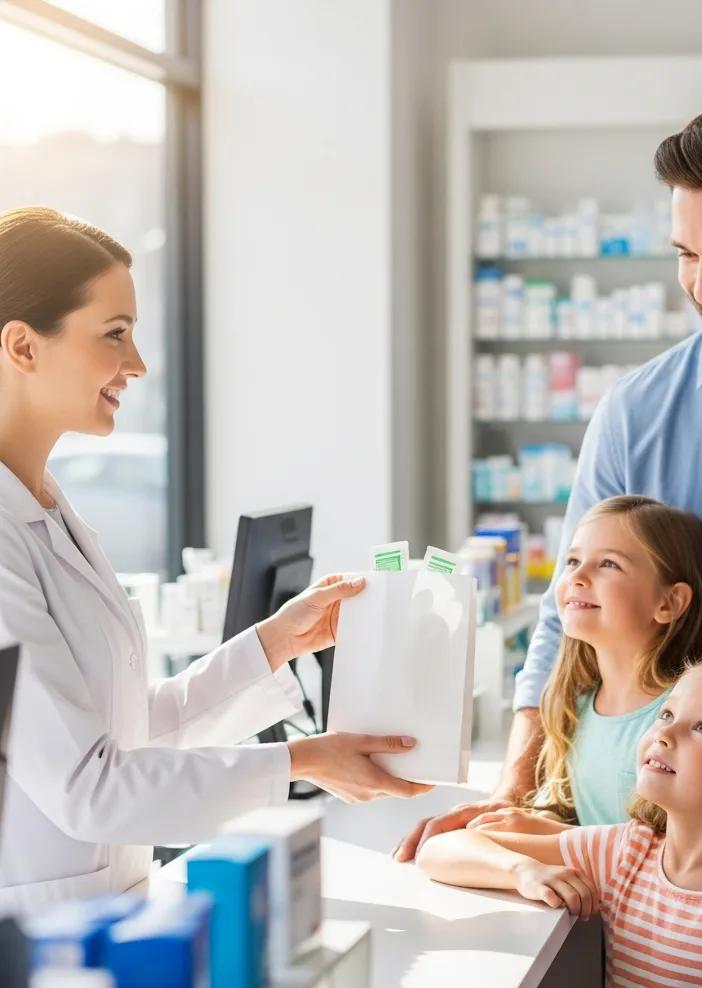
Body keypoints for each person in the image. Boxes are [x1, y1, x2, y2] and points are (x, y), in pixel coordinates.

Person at [395, 96, 702, 863]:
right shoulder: (637, 412)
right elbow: (565, 618)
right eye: (685, 254)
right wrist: (515, 787)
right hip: (678, 847)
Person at [0, 207, 428, 913]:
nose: (137, 364)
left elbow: (127, 733)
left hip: (103, 908)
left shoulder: (46, 508)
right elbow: (89, 789)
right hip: (39, 928)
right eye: (115, 334)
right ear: (22, 346)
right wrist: (301, 761)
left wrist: (275, 642)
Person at [418, 656, 702, 988]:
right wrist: (522, 871)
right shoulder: (628, 853)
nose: (664, 734)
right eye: (667, 714)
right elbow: (440, 849)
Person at [468, 495, 702, 836]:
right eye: (572, 561)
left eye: (608, 564)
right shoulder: (572, 707)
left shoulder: (684, 723)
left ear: (669, 602)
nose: (577, 576)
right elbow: (564, 818)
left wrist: (547, 841)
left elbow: (675, 851)